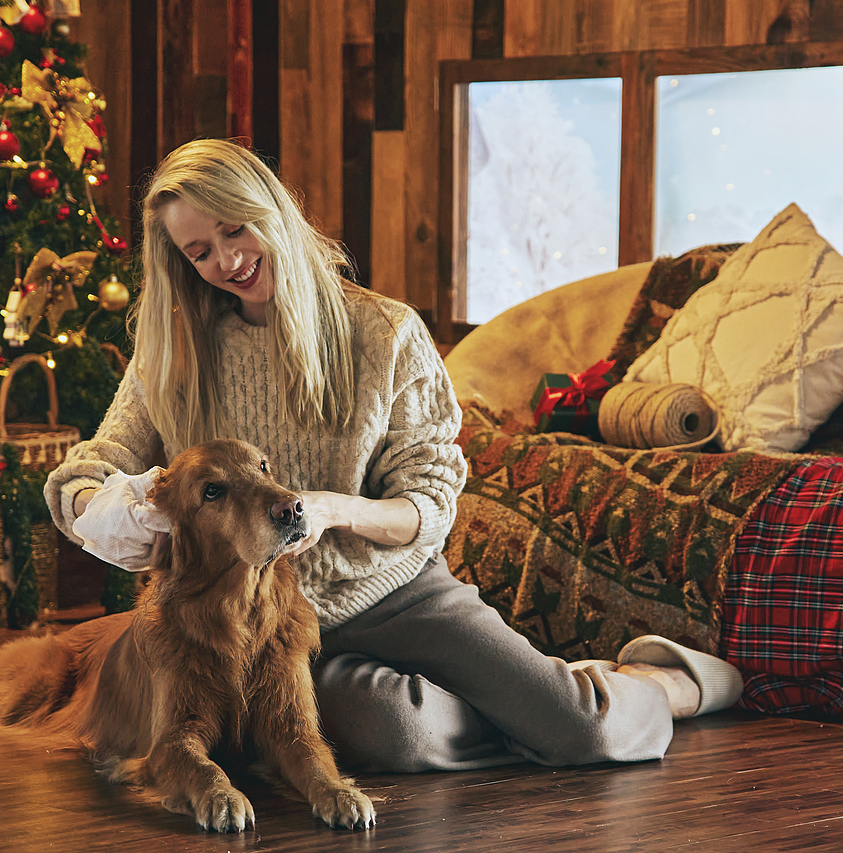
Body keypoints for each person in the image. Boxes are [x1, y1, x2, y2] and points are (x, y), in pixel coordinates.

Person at [43, 138, 743, 773]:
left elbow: (431, 504)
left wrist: (333, 510)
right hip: (263, 623)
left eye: (235, 228)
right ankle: (515, 702)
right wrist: (98, 510)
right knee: (396, 733)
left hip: (397, 593)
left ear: (272, 210)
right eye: (199, 252)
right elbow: (88, 469)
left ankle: (658, 682)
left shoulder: (384, 331)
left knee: (582, 732)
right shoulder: (175, 354)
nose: (227, 260)